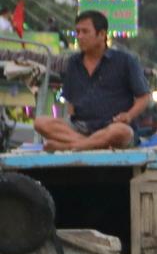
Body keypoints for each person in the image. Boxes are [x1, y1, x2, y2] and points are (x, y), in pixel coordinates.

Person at [35, 10, 150, 152]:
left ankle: (73, 146)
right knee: (41, 122)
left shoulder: (126, 61)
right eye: (77, 32)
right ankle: (86, 144)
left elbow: (144, 97)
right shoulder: (73, 63)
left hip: (112, 127)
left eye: (85, 32)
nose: (79, 36)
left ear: (101, 34)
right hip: (80, 128)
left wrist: (128, 115)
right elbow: (70, 105)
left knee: (122, 132)